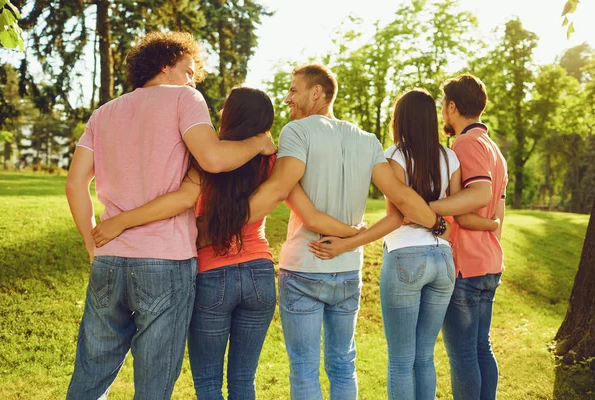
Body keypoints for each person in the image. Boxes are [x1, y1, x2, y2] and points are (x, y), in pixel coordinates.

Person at [90, 87, 366, 400]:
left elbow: (183, 202)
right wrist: (352, 231)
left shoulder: (206, 159)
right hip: (259, 275)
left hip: (211, 276)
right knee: (243, 382)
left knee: (208, 384)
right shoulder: (273, 163)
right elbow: (309, 214)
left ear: (230, 115)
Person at [64, 31, 275, 400]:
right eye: (188, 70)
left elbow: (75, 183)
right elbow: (213, 159)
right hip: (166, 260)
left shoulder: (104, 112)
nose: (193, 80)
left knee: (90, 374)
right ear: (165, 66)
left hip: (109, 258)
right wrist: (258, 143)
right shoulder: (184, 98)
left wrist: (91, 243)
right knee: (154, 383)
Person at [245, 65, 448, 400]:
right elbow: (399, 200)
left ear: (317, 92)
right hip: (347, 270)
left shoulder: (296, 132)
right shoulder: (367, 140)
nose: (287, 98)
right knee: (343, 363)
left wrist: (225, 224)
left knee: (305, 367)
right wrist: (435, 223)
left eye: (294, 90)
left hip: (304, 266)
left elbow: (279, 188)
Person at [308, 89, 499, 400]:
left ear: (401, 120)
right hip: (443, 260)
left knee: (400, 359)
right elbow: (454, 209)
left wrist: (347, 244)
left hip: (405, 259)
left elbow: (395, 218)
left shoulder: (394, 155)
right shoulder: (449, 156)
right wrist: (440, 223)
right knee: (424, 356)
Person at [432, 74, 508, 400]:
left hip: (467, 267)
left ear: (452, 106)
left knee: (463, 354)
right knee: (480, 348)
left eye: (443, 107)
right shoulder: (494, 148)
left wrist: (426, 206)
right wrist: (490, 228)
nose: (443, 115)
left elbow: (480, 195)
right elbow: (498, 212)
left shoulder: (465, 143)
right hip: (490, 263)